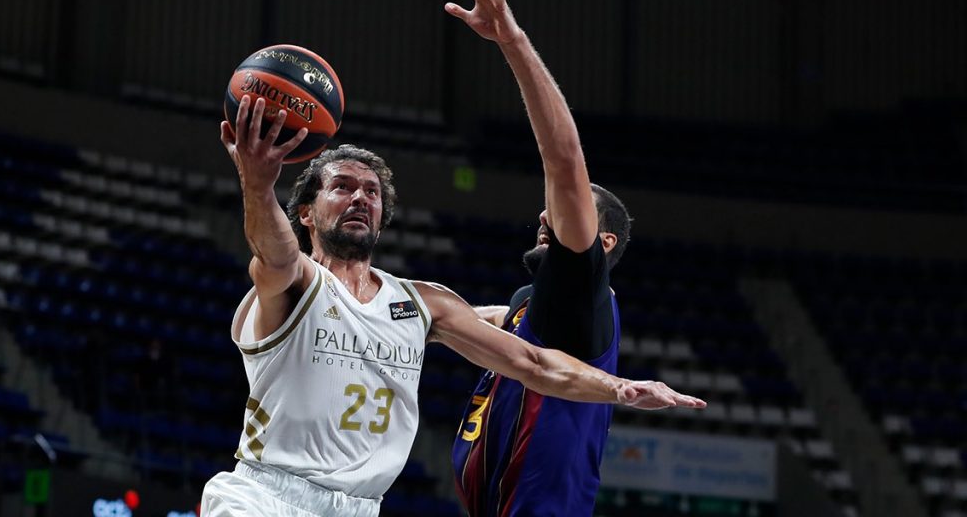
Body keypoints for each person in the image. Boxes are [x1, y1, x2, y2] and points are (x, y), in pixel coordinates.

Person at [201, 52, 702, 517]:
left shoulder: (421, 303)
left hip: (360, 506)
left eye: (372, 191)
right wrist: (259, 185)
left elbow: (531, 361)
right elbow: (275, 252)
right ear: (306, 212)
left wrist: (621, 387)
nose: (360, 197)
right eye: (343, 186)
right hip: (265, 496)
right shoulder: (296, 283)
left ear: (383, 214)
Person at [443, 0, 705, 516]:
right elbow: (458, 316)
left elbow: (563, 159)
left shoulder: (580, 289)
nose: (545, 216)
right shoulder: (529, 305)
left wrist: (511, 42)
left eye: (565, 214)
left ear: (601, 242)